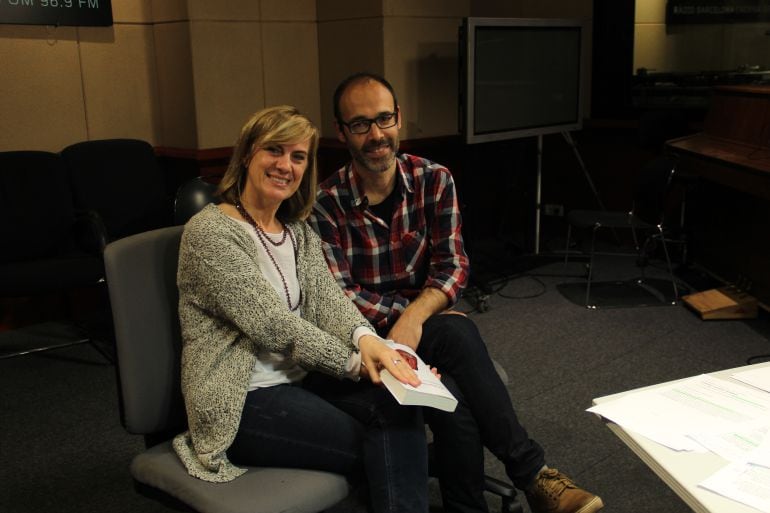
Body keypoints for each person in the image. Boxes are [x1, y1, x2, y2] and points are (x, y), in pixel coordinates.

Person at [309, 73, 605, 513]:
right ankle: (533, 474)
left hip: (424, 333)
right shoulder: (325, 204)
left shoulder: (434, 180)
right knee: (458, 338)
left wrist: (416, 319)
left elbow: (453, 267)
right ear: (342, 132)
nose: (376, 135)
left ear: (399, 118)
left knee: (453, 392)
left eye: (384, 119)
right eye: (360, 124)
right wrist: (413, 318)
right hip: (360, 342)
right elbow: (339, 296)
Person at [172, 105, 430, 513]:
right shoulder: (210, 233)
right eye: (274, 150)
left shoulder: (296, 231)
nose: (285, 165)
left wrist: (377, 346)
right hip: (243, 399)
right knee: (380, 446)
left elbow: (330, 302)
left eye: (298, 156)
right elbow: (274, 325)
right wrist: (358, 363)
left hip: (302, 379)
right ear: (246, 155)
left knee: (401, 407)